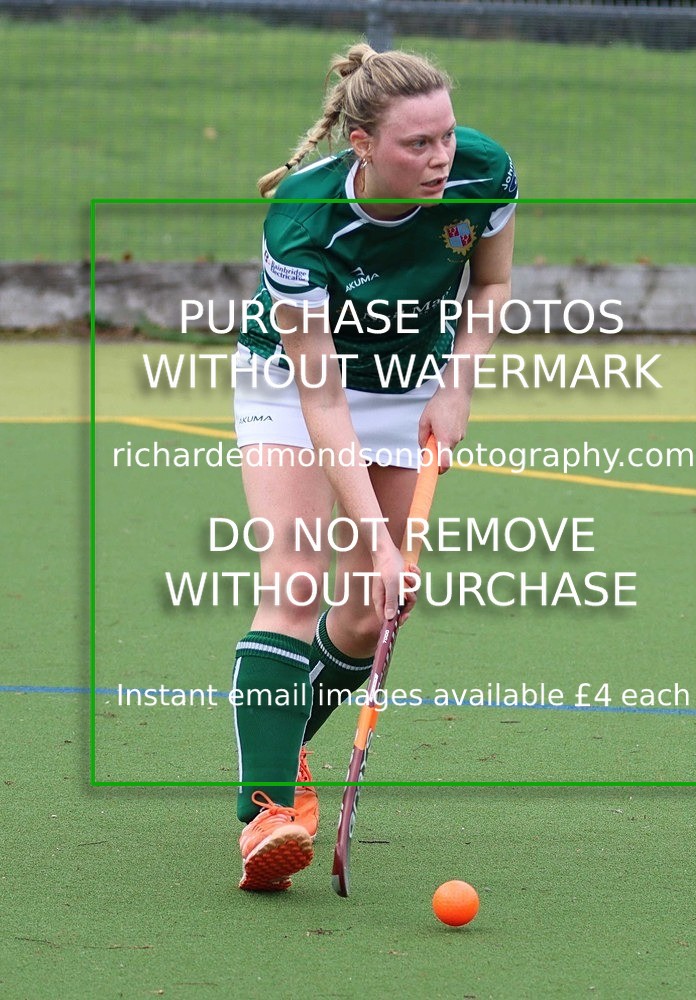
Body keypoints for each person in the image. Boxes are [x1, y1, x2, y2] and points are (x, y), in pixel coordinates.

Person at [232, 41, 517, 892]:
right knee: (294, 581)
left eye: (446, 135)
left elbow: (490, 286)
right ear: (361, 143)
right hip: (295, 386)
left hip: (407, 381)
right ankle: (266, 812)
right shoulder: (302, 218)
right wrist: (382, 542)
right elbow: (322, 404)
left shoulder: (483, 170)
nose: (440, 157)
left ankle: (282, 745)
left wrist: (457, 386)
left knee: (366, 615)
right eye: (416, 143)